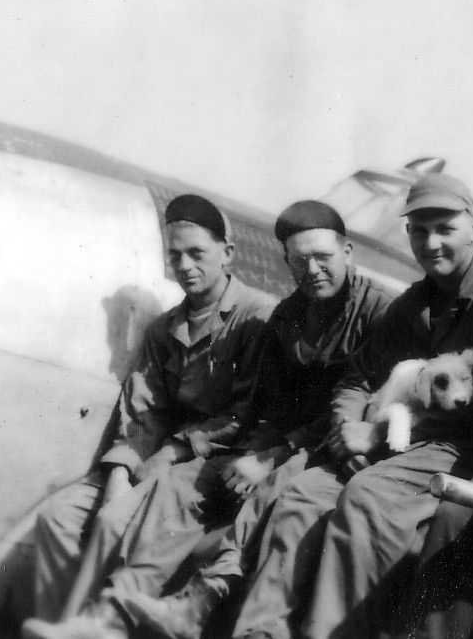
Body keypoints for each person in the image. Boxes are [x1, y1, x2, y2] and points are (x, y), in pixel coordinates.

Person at [230, 173, 473, 639]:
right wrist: (347, 427)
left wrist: (374, 435)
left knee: (367, 499)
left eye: (445, 228)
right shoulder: (415, 303)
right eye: (419, 230)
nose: (430, 243)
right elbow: (358, 377)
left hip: (471, 447)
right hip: (405, 440)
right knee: (302, 495)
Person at [99, 201, 392, 639]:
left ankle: (206, 600)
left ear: (347, 253)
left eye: (323, 257)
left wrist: (272, 457)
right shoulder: (287, 317)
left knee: (283, 494)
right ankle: (112, 616)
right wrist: (252, 453)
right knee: (181, 484)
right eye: (299, 261)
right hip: (281, 443)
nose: (312, 270)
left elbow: (362, 402)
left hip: (336, 448)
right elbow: (268, 405)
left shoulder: (382, 313)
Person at [11, 193, 274, 638]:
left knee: (113, 522)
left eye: (197, 253)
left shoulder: (256, 319)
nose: (185, 266)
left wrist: (170, 453)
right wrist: (119, 472)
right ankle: (63, 622)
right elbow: (142, 411)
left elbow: (245, 416)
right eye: (175, 256)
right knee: (60, 517)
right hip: (155, 460)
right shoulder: (165, 329)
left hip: (208, 466)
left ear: (228, 253)